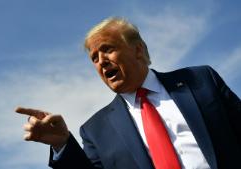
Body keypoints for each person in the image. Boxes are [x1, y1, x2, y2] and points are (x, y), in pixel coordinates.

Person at [15, 17, 241, 169]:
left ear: (138, 50)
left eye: (107, 49)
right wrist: (62, 145)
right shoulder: (95, 131)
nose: (101, 61)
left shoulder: (200, 80)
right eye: (94, 58)